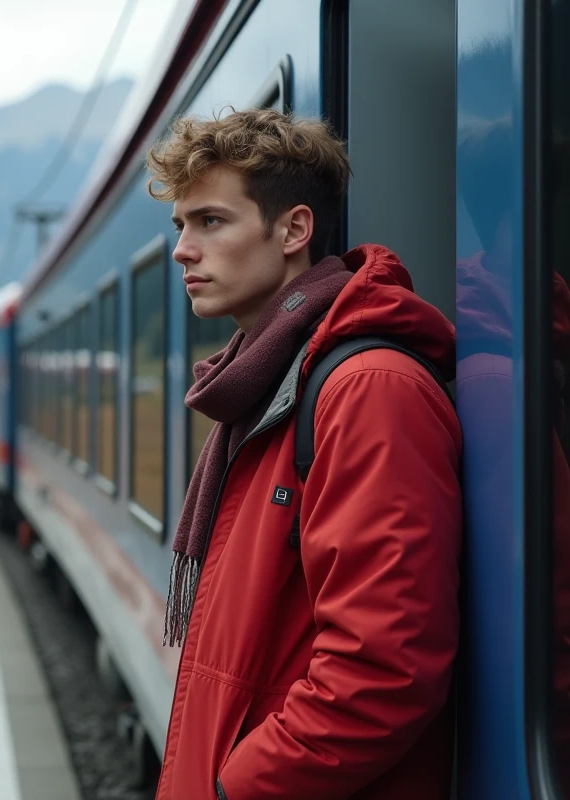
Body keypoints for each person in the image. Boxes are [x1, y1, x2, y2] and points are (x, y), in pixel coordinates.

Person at [145, 108, 462, 799]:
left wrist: (236, 790)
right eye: (180, 226)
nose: (182, 250)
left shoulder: (368, 391)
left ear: (293, 230)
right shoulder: (269, 386)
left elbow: (383, 671)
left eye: (211, 222)